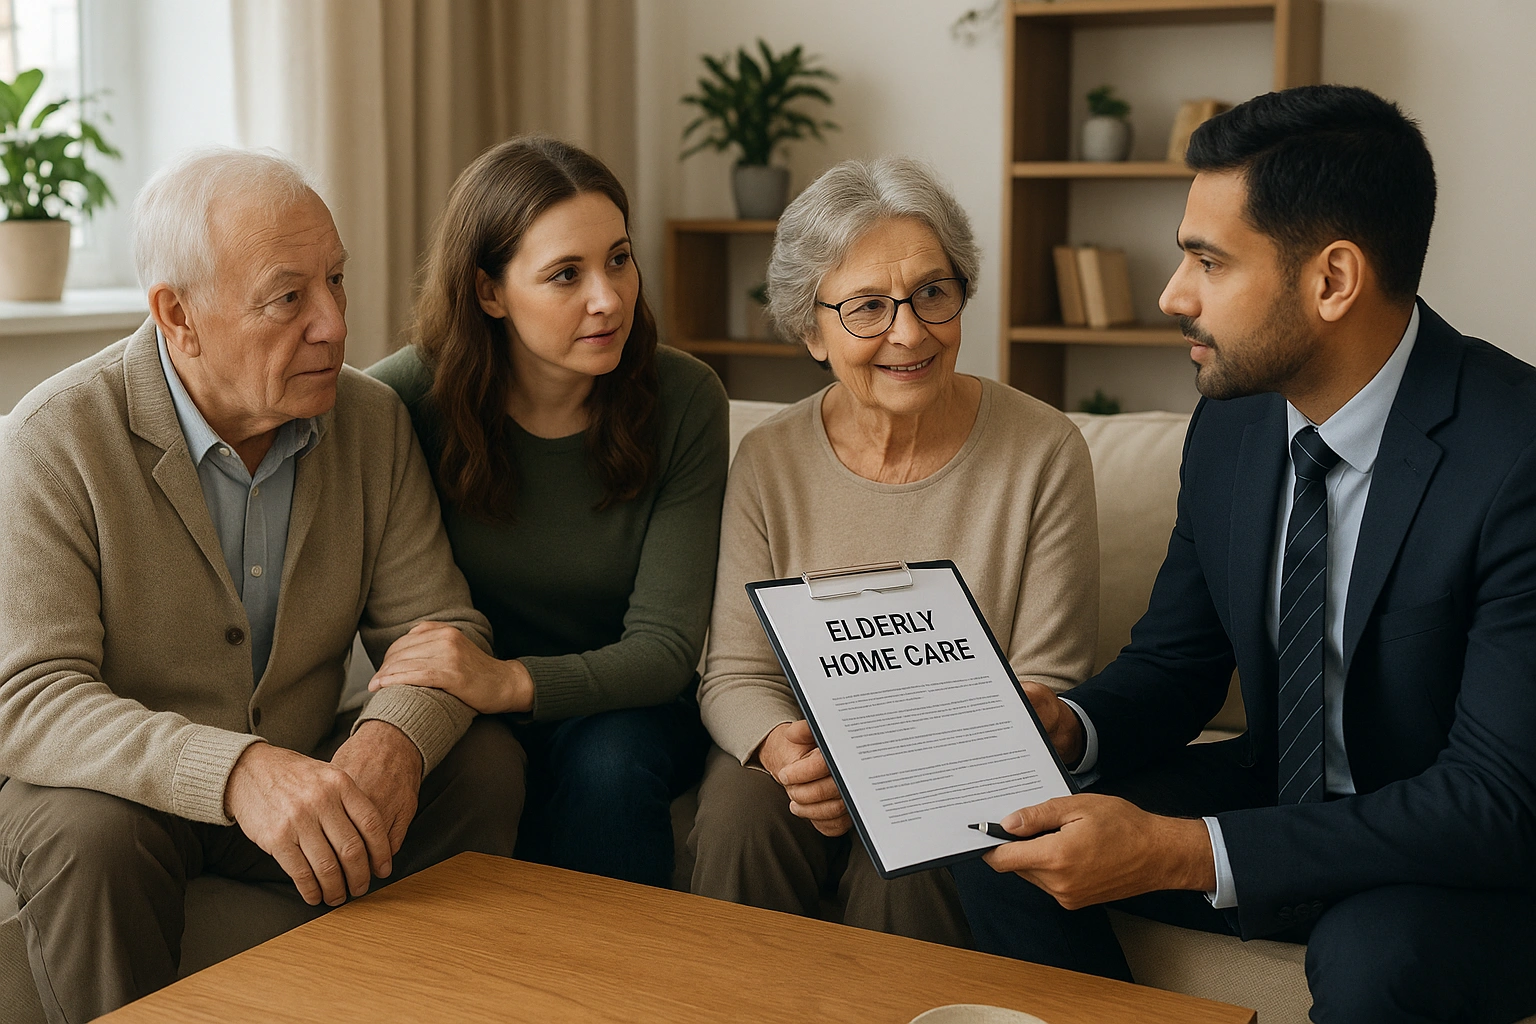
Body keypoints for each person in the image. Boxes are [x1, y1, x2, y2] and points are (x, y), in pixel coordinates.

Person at [950, 85, 1536, 1024]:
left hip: (1463, 847)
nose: (1171, 295)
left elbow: (1496, 801)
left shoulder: (1516, 453)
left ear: (1333, 279)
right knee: (1010, 843)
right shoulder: (1231, 425)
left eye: (1207, 261)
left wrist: (1185, 851)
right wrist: (1072, 724)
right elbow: (1178, 665)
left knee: (1373, 956)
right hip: (1284, 789)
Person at [0, 148, 526, 1023]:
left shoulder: (369, 420)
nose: (331, 322)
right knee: (92, 837)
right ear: (179, 316)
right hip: (122, 791)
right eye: (288, 298)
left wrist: (391, 740)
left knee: (483, 764)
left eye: (337, 281)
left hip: (305, 769)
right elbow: (29, 697)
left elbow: (437, 625)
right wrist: (238, 772)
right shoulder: (56, 439)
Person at [688, 156, 1099, 944]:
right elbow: (735, 672)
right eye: (868, 308)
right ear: (810, 328)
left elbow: (1050, 676)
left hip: (964, 762)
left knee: (917, 859)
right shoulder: (768, 459)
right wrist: (783, 749)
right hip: (807, 750)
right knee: (742, 814)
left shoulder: (1045, 451)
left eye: (932, 294)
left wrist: (908, 770)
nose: (908, 333)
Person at [367, 136, 727, 888]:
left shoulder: (685, 397)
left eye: (620, 259)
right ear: (489, 292)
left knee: (608, 764)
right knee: (475, 769)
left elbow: (663, 650)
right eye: (567, 274)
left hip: (629, 704)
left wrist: (505, 681)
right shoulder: (399, 401)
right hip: (461, 707)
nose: (609, 297)